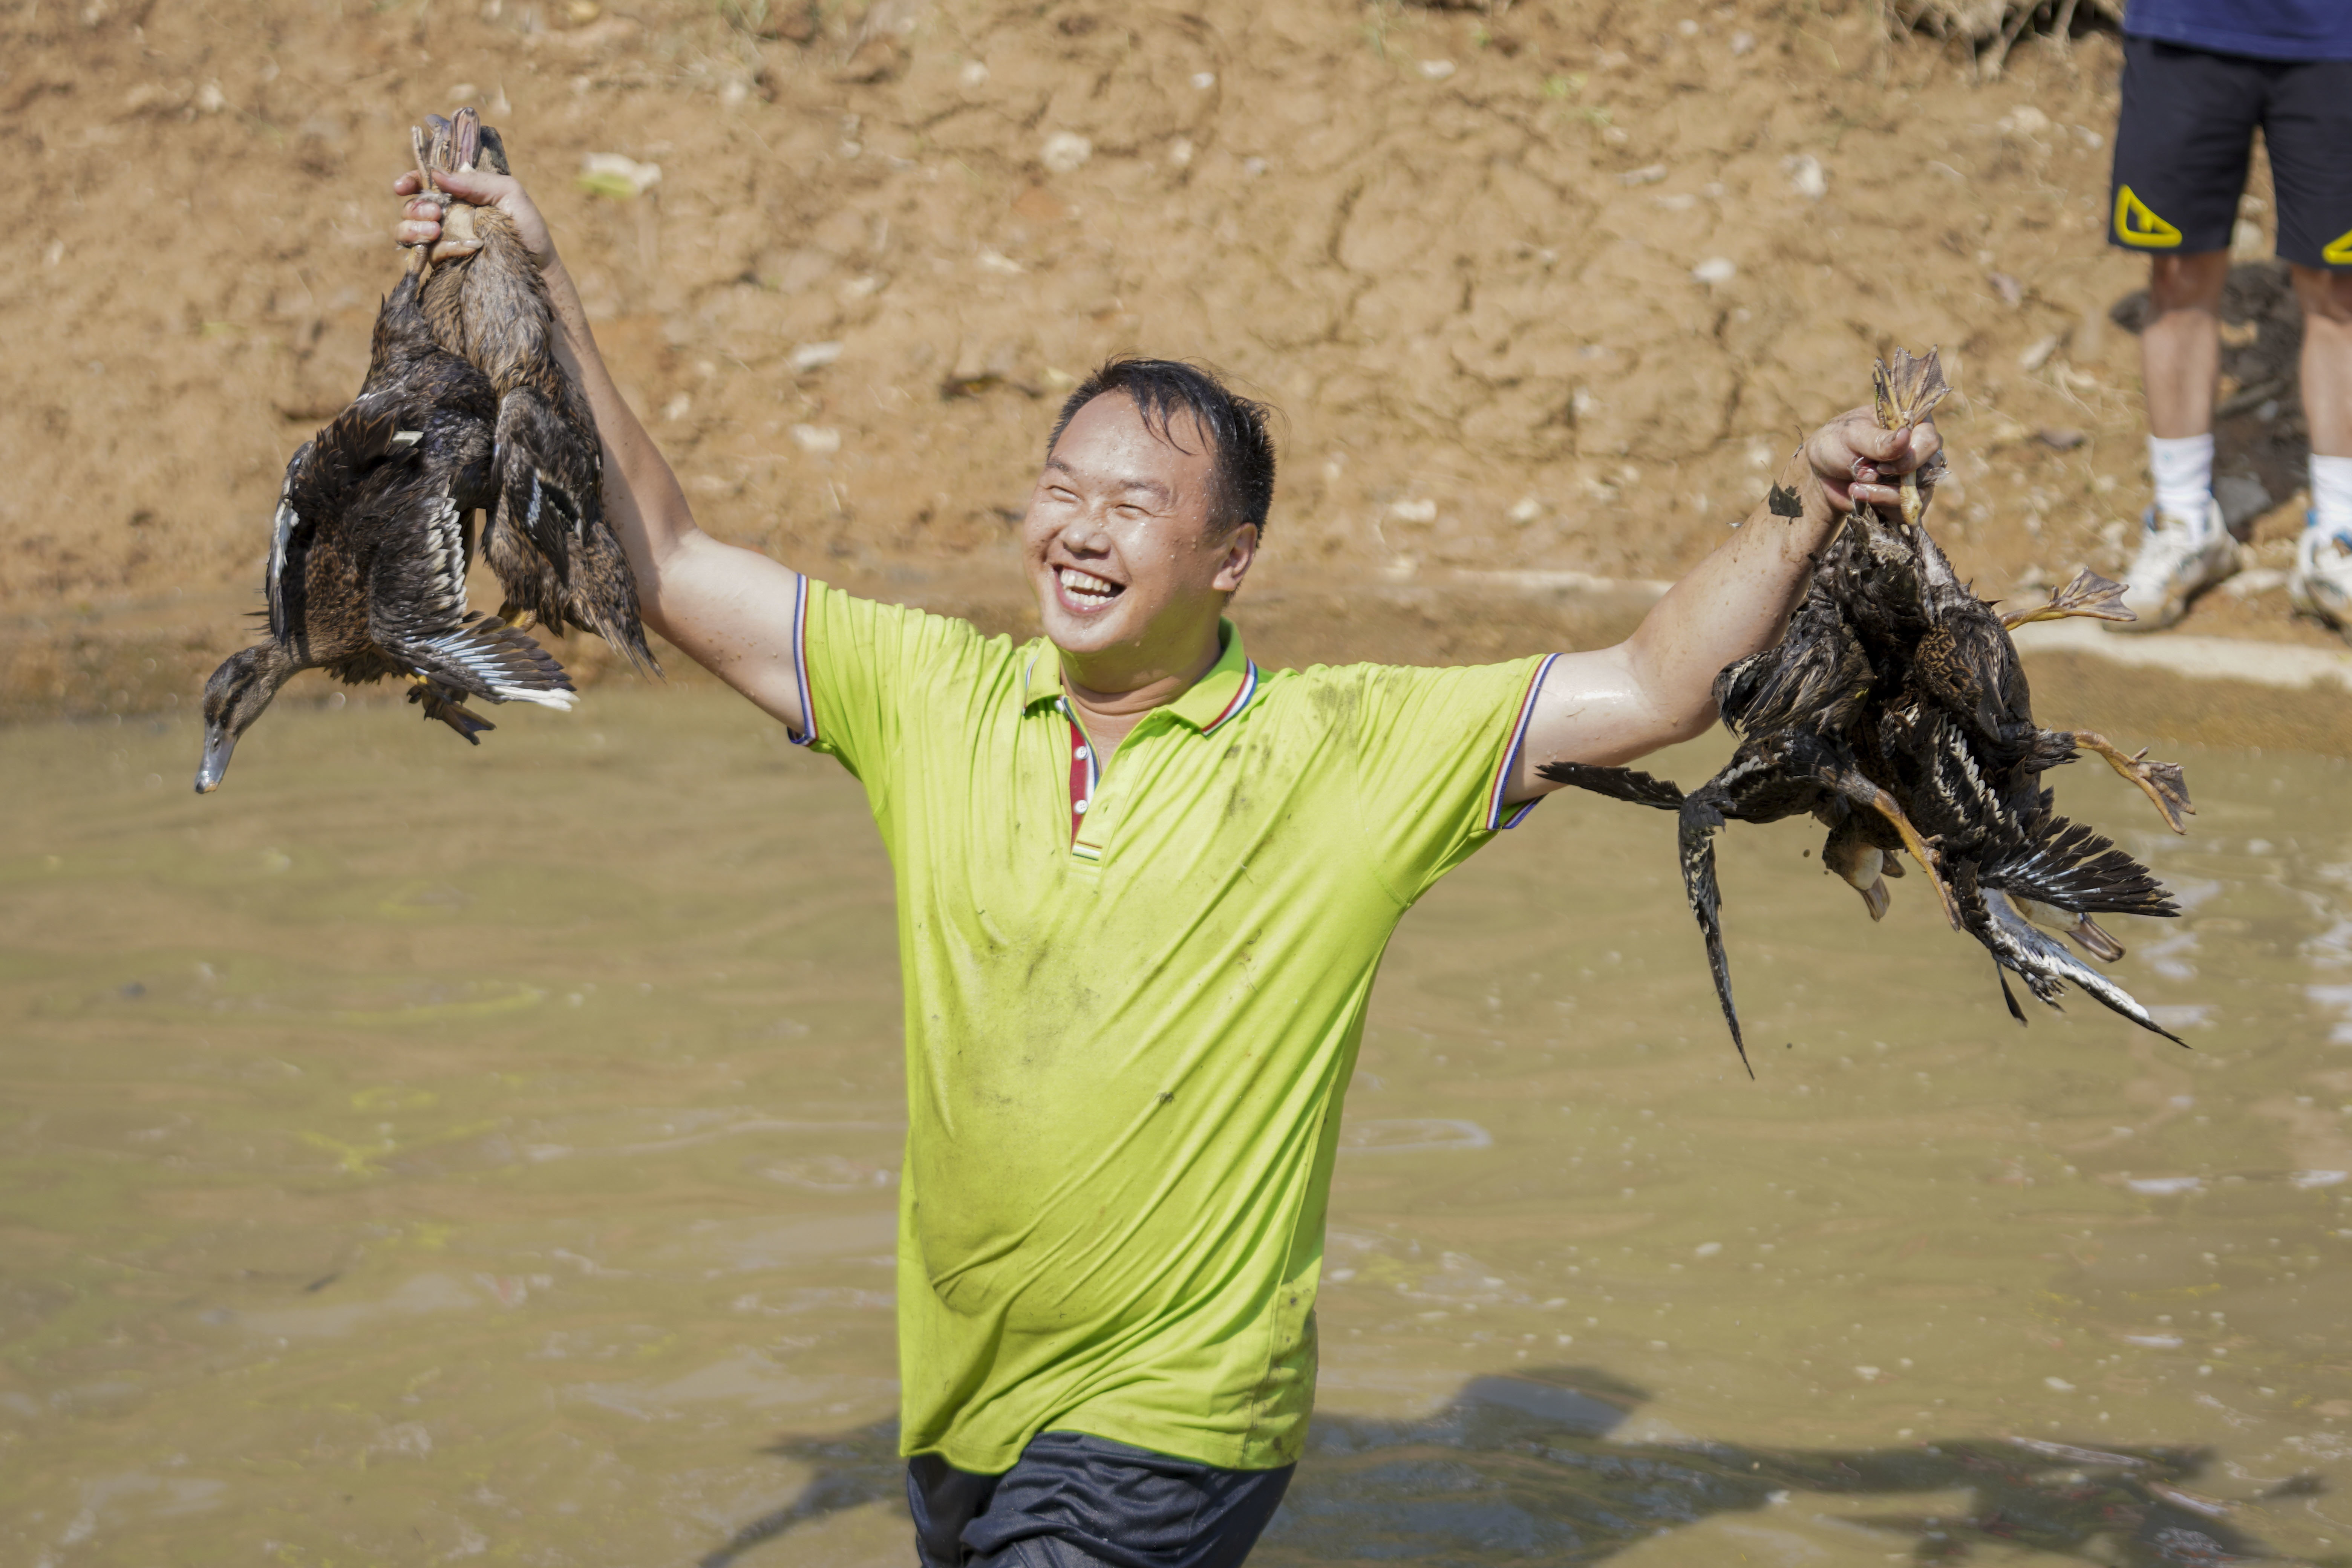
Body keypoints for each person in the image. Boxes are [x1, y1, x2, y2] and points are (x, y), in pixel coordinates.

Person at [395, 165, 1937, 1568]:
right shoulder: (930, 695)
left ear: (1230, 559)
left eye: (1132, 505)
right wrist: (547, 292)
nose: (1079, 529)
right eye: (1063, 489)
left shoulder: (1351, 754)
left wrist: (1808, 499)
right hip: (959, 1404)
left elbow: (1658, 682)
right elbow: (662, 555)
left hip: (1180, 1415)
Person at [2104, 0, 2352, 634]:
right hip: (2188, 27)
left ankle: (2341, 538)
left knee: (2340, 288)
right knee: (2177, 276)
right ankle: (2187, 523)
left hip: (2335, 32)